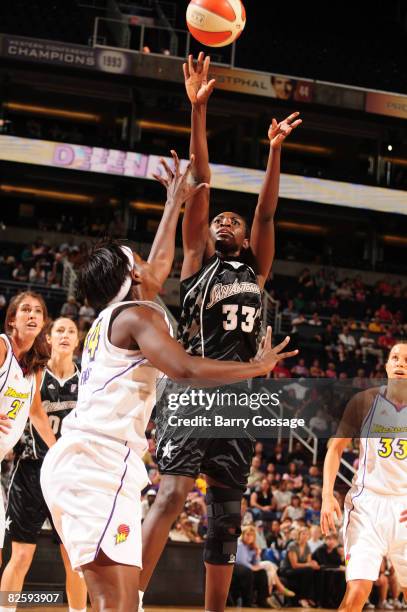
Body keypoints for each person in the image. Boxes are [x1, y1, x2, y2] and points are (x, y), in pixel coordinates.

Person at [40, 153, 296, 612]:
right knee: (112, 601)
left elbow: (157, 262)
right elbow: (186, 370)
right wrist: (256, 369)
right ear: (131, 278)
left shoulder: (125, 311)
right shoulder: (138, 317)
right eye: (137, 262)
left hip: (104, 464)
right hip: (93, 464)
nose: (149, 262)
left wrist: (174, 201)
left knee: (117, 604)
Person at [140, 52, 301, 612]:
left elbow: (267, 214)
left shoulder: (256, 269)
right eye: (218, 221)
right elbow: (201, 182)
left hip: (239, 400)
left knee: (227, 517)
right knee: (173, 492)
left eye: (233, 221)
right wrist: (198, 113)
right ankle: (125, 600)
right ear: (206, 233)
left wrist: (274, 152)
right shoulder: (194, 261)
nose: (227, 222)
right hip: (192, 394)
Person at [1, 317, 87, 612]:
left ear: (78, 340)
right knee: (20, 556)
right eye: (59, 330)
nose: (65, 335)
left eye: (71, 331)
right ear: (48, 338)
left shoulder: (87, 380)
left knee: (74, 561)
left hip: (71, 476)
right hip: (31, 469)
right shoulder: (33, 374)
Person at [321, 342, 407, 612]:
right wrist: (326, 496)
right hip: (366, 505)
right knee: (357, 590)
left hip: (404, 506)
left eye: (406, 359)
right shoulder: (364, 401)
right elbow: (334, 449)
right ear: (386, 366)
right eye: (395, 358)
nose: (400, 363)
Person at [0, 292, 56, 568]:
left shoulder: (35, 366)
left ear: (44, 322)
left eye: (38, 311)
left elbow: (36, 413)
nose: (32, 315)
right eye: (25, 310)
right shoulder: (2, 348)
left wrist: (58, 453)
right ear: (12, 320)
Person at [280, 526, 320, 608]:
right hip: (287, 569)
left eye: (307, 534)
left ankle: (311, 598)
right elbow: (294, 565)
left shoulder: (307, 547)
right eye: (303, 534)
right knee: (309, 570)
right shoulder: (293, 545)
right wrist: (309, 564)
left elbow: (308, 562)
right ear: (299, 535)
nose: (305, 536)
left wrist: (313, 563)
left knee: (315, 570)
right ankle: (303, 598)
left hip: (300, 569)